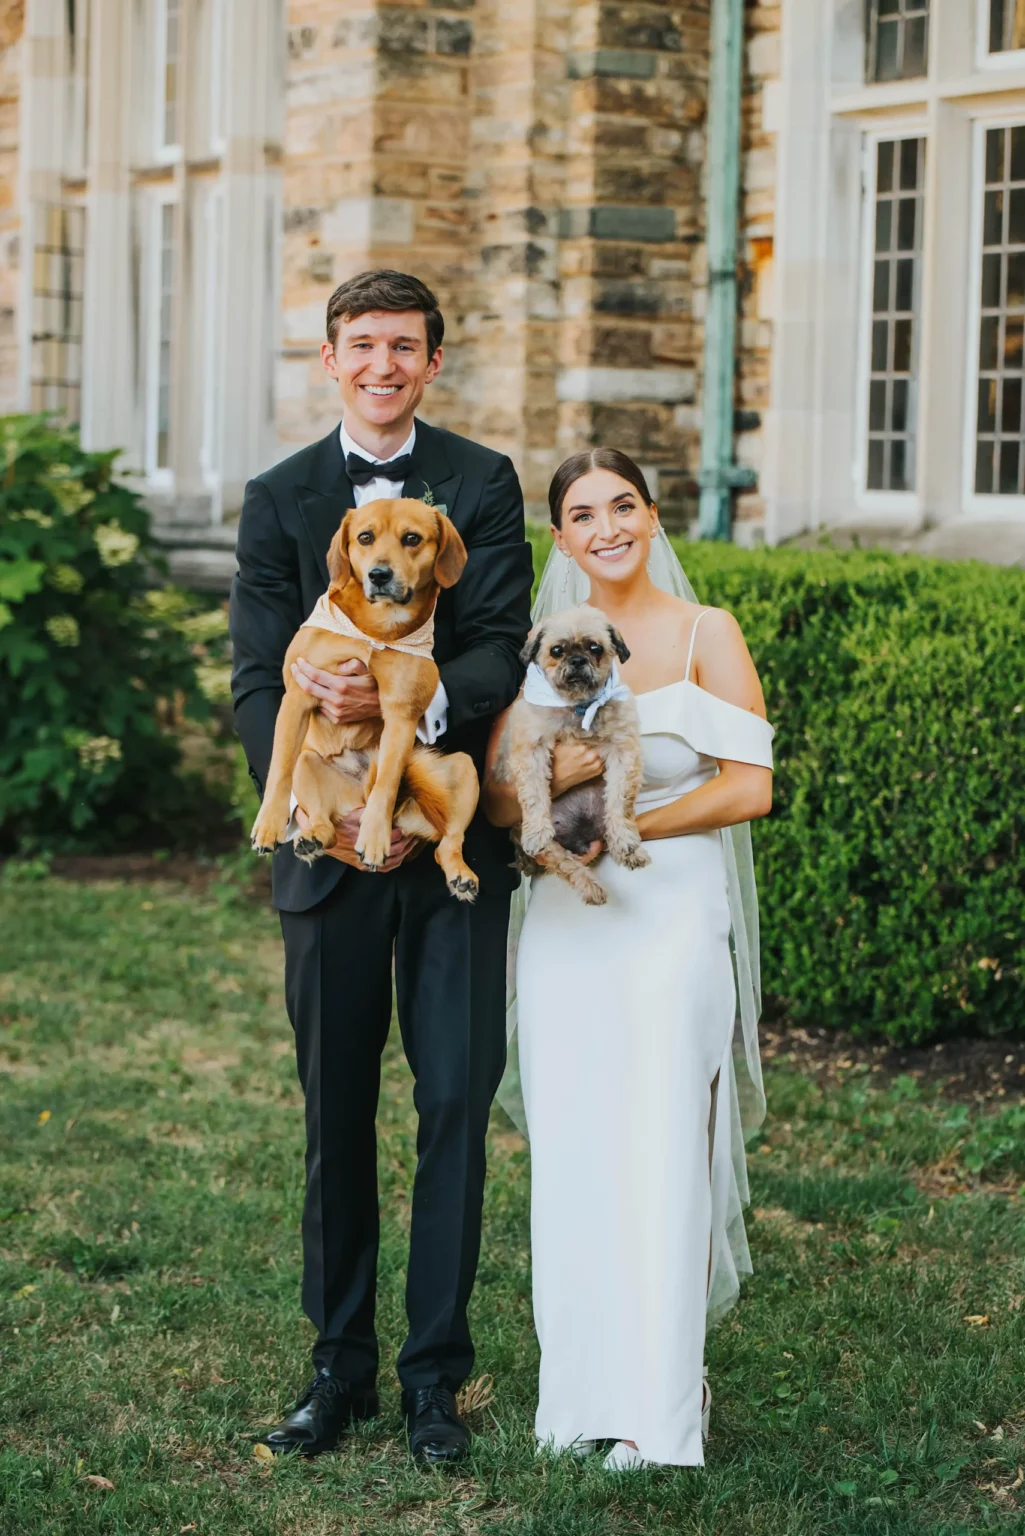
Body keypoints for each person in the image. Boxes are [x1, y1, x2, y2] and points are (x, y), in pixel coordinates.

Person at [229, 270, 533, 1464]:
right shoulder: (279, 498)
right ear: (330, 358)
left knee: (454, 1103)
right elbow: (259, 676)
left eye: (402, 346)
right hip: (326, 853)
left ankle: (432, 1380)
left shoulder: (482, 483)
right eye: (361, 345)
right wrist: (330, 787)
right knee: (335, 1111)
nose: (381, 364)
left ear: (431, 361)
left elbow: (498, 643)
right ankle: (336, 1367)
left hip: (446, 842)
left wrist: (418, 742)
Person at [483, 449, 774, 1469]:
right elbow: (496, 797)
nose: (603, 525)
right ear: (558, 536)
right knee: (572, 1154)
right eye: (579, 513)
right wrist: (553, 801)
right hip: (568, 931)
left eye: (621, 505)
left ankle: (660, 1409)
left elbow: (748, 788)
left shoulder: (706, 633)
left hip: (669, 922)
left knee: (658, 1149)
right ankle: (576, 1400)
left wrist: (630, 816)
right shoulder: (538, 657)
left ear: (651, 517)